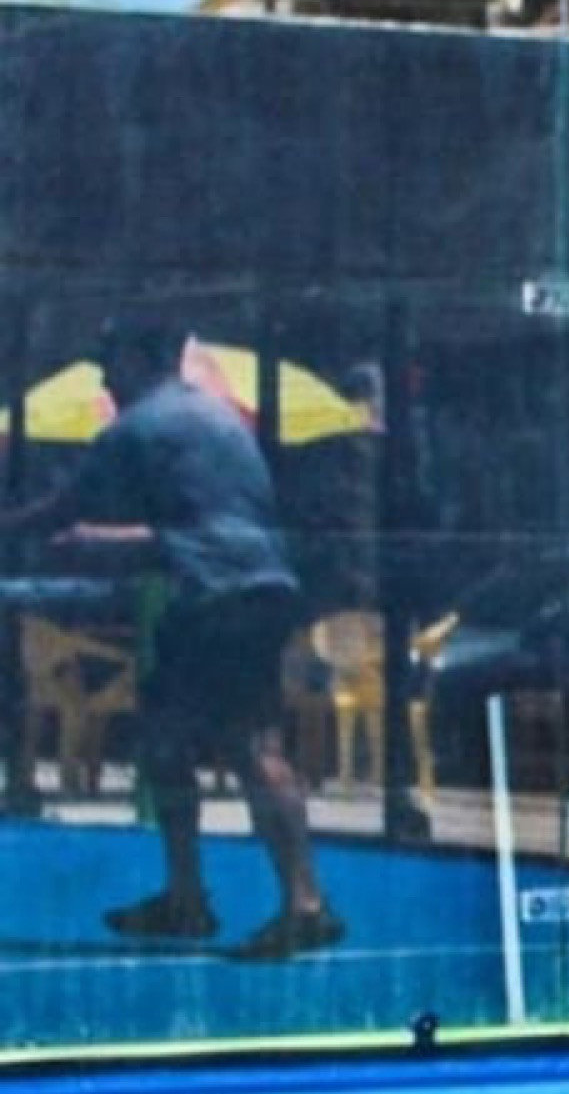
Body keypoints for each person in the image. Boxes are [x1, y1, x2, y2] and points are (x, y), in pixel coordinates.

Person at [0, 320, 344, 959]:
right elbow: (209, 525)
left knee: (243, 747)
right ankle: (194, 898)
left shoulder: (139, 425)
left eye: (109, 363)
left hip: (216, 599)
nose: (104, 379)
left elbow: (67, 509)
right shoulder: (215, 418)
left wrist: (19, 529)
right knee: (174, 741)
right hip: (257, 591)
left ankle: (299, 904)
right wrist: (119, 543)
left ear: (139, 357)